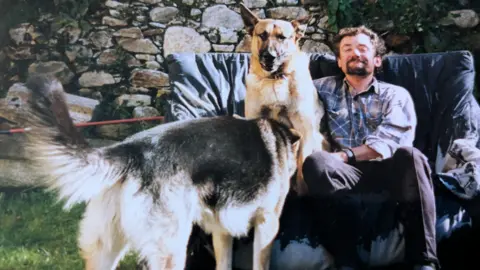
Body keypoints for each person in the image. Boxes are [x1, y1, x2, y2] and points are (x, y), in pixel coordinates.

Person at [302, 25, 438, 270]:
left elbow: (391, 139)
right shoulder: (318, 89)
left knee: (412, 156)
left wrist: (346, 155)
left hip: (389, 170)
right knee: (317, 162)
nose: (356, 53)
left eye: (363, 48)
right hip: (344, 175)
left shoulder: (396, 95)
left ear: (376, 60)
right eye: (348, 49)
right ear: (339, 61)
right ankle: (347, 262)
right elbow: (287, 91)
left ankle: (424, 261)